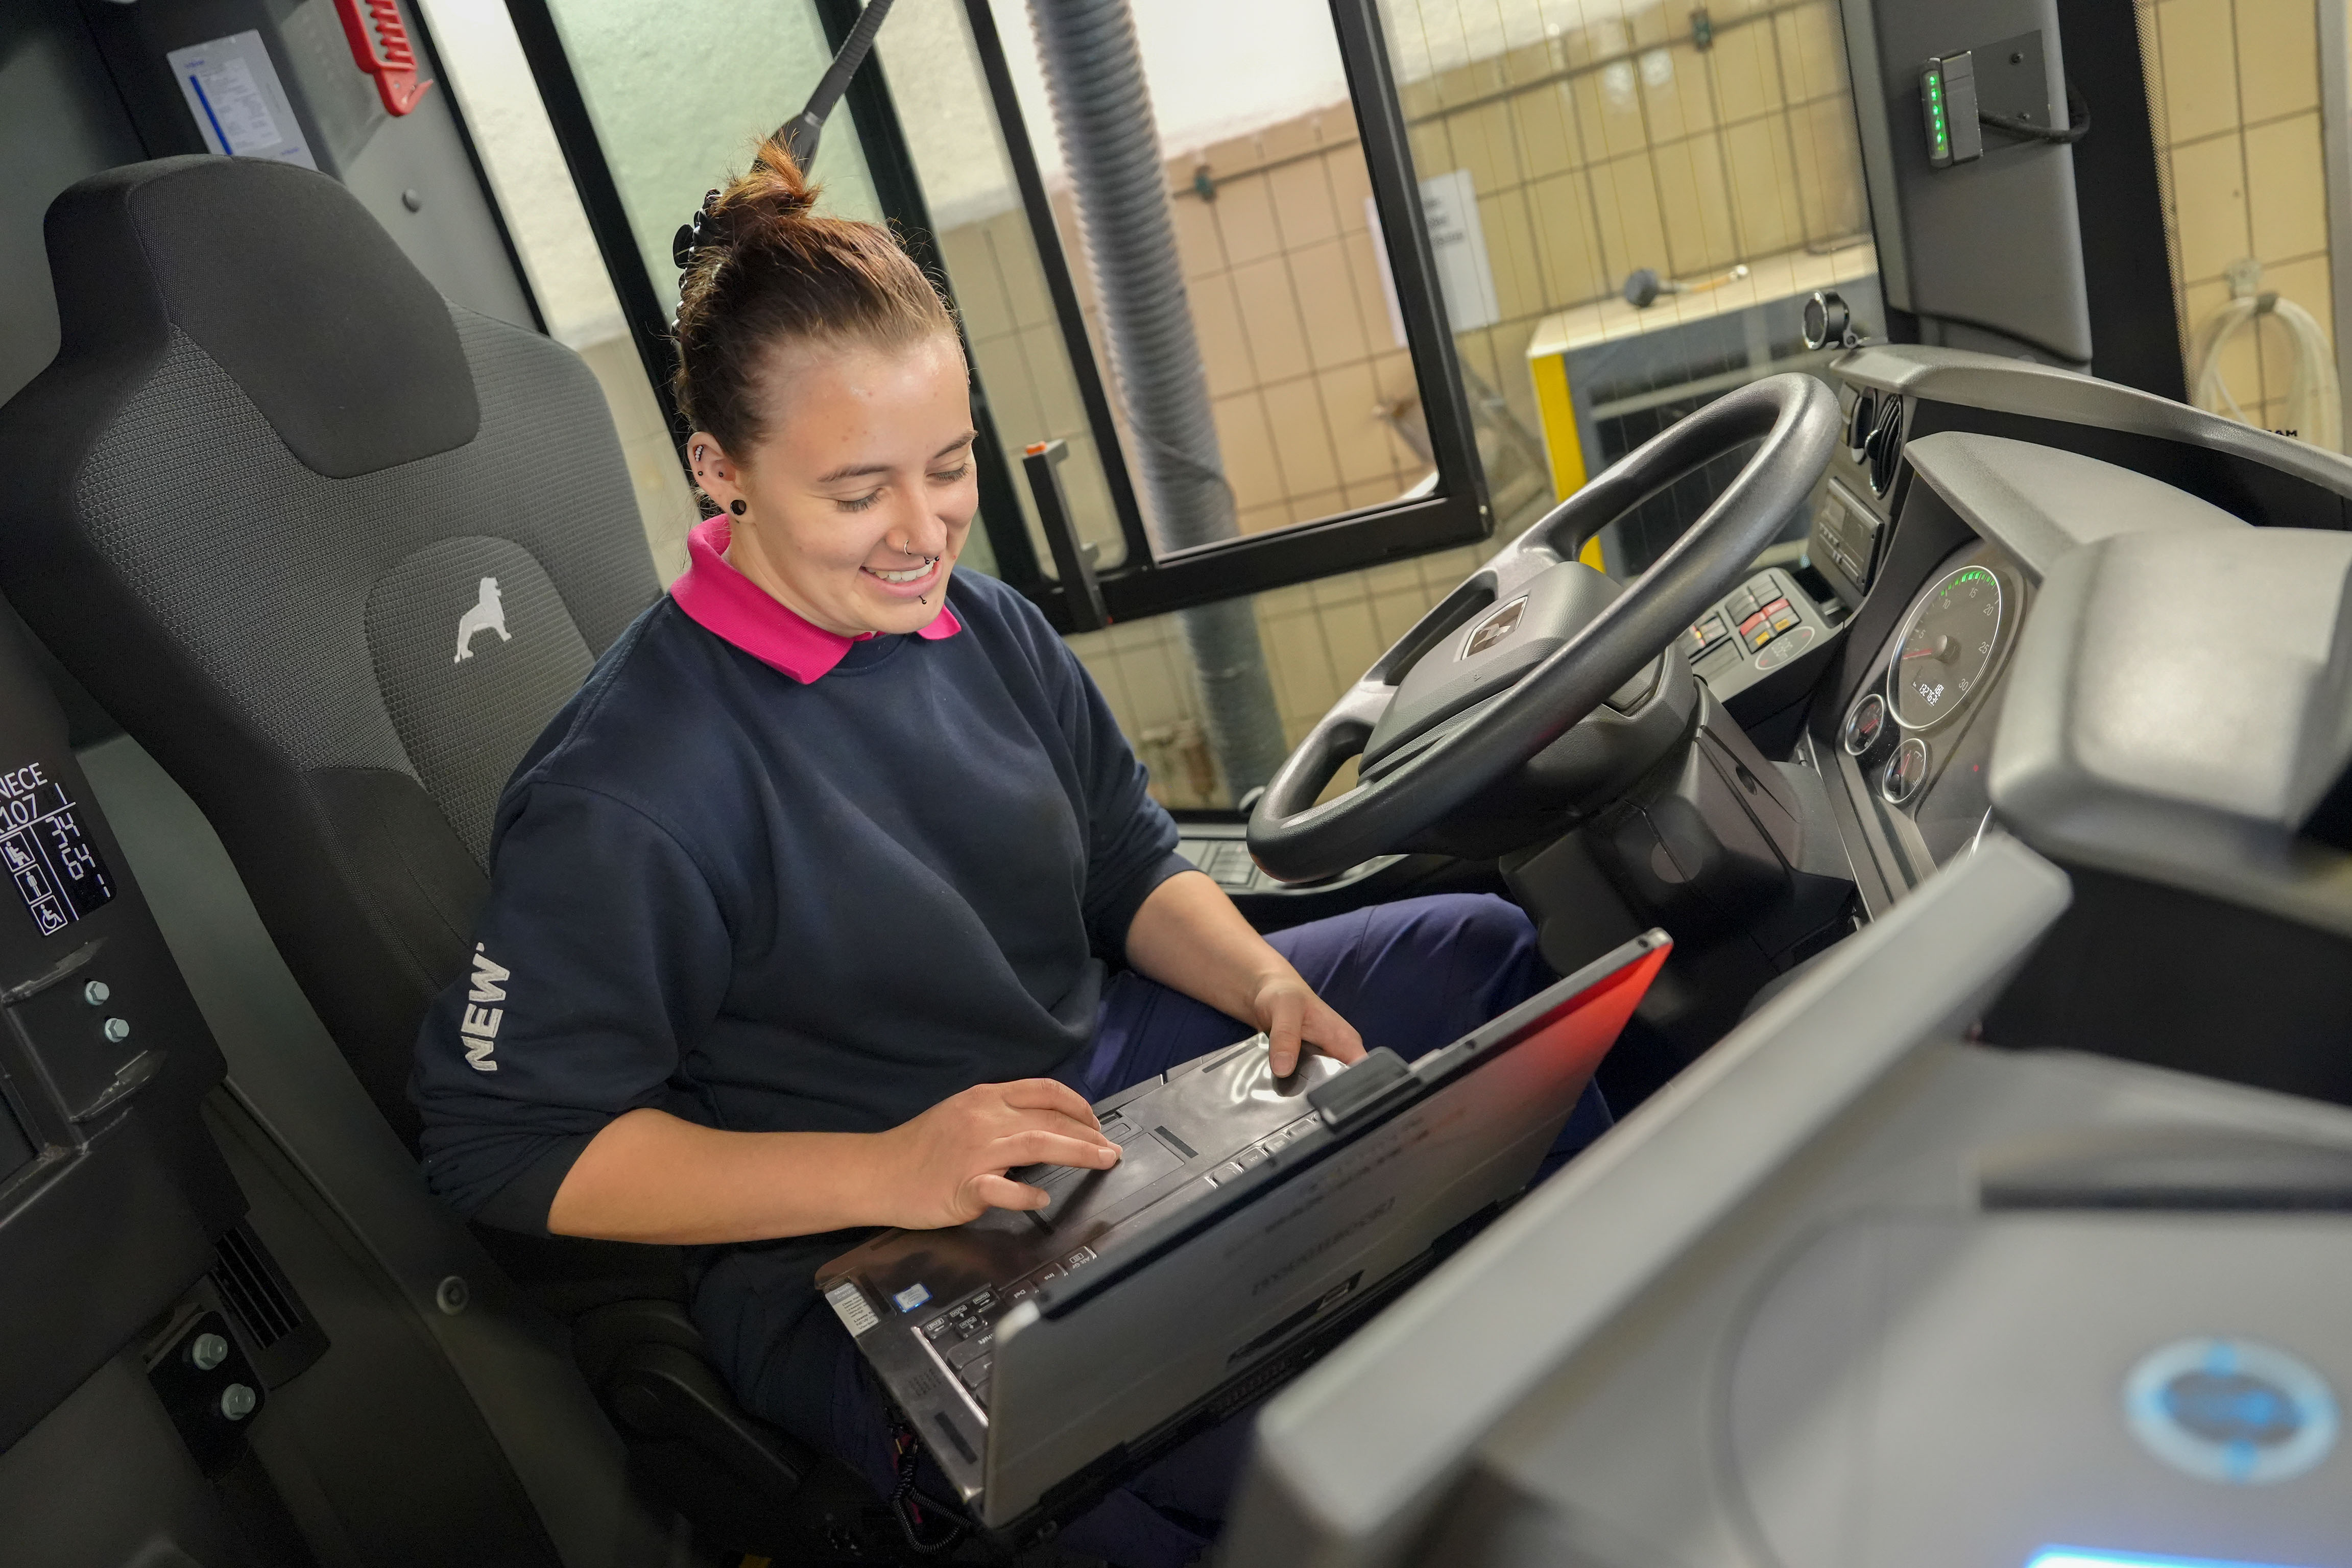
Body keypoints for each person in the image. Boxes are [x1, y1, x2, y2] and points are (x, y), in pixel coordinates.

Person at [410, 139, 1607, 1568]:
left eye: (950, 465)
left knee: (1478, 955)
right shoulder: (630, 789)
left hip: (1094, 1082)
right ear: (718, 472)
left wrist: (1261, 989)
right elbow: (502, 1150)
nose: (922, 534)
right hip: (856, 1226)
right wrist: (892, 1169)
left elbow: (1127, 864)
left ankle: (1608, 1371)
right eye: (859, 495)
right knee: (1169, 1446)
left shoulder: (983, 628)